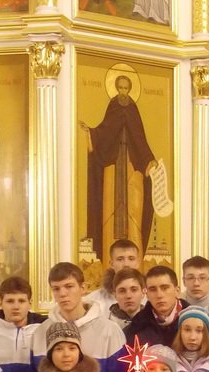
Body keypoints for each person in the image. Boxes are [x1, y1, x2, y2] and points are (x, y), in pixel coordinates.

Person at [82, 75, 156, 263]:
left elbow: (140, 137)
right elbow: (105, 130)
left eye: (126, 88)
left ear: (129, 89)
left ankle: (136, 261)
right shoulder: (114, 106)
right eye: (120, 88)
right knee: (110, 208)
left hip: (132, 164)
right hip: (113, 164)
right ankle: (108, 261)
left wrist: (149, 159)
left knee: (134, 209)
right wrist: (91, 133)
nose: (123, 92)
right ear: (116, 88)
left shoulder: (133, 109)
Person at [123, 265, 189, 347]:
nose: (159, 295)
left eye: (164, 288)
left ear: (177, 291)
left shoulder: (196, 320)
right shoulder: (136, 326)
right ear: (147, 294)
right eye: (153, 289)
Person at [88, 238, 144, 316]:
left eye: (131, 259)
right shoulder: (94, 300)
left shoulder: (151, 298)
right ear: (111, 264)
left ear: (138, 263)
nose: (126, 264)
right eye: (120, 259)